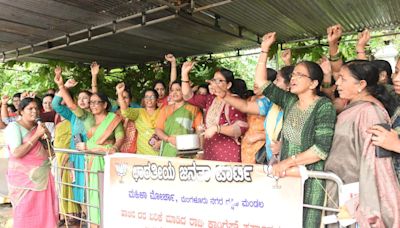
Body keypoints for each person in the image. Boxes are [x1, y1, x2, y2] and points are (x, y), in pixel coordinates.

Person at [254, 32, 336, 228]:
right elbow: (261, 83)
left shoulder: (324, 106)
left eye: (300, 75)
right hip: (288, 177)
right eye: (293, 75)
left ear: (314, 83)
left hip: (310, 180)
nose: (293, 78)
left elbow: (320, 149)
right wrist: (264, 50)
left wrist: (287, 163)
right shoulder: (290, 101)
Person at [324, 60, 400, 227]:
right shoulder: (354, 108)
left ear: (361, 84)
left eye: (343, 79)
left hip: (356, 202)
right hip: (340, 192)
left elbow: (375, 166)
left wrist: (367, 208)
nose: (337, 83)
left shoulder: (370, 113)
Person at [55, 69, 125, 227]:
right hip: (93, 163)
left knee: (110, 194)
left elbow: (120, 137)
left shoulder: (113, 119)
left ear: (105, 104)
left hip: (109, 162)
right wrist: (61, 86)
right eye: (91, 102)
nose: (92, 105)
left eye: (95, 102)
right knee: (94, 195)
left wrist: (113, 147)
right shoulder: (87, 118)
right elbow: (72, 105)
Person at [215, 66, 293, 164]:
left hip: (286, 159)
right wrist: (224, 95)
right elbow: (246, 106)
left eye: (277, 80)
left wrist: (282, 146)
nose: (274, 84)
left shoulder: (296, 105)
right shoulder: (269, 102)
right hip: (268, 156)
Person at [5, 97, 58, 228]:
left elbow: (51, 153)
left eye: (36, 109)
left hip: (43, 179)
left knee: (44, 214)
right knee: (25, 214)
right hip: (23, 182)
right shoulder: (14, 127)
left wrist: (46, 138)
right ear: (21, 111)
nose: (34, 111)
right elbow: (17, 153)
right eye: (30, 109)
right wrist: (36, 136)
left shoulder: (38, 127)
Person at [182, 63, 248, 162]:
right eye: (214, 80)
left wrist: (217, 128)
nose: (215, 83)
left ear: (228, 85)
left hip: (227, 153)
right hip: (210, 150)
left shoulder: (235, 101)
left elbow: (240, 128)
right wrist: (184, 74)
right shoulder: (211, 99)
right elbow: (188, 97)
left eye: (220, 81)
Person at [52, 69, 91, 208]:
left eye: (85, 98)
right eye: (79, 98)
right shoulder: (73, 115)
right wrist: (65, 87)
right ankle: (84, 216)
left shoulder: (94, 116)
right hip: (75, 156)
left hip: (90, 155)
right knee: (78, 186)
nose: (81, 101)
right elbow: (55, 105)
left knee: (90, 187)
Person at [156, 80, 203, 157]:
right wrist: (168, 139)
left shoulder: (193, 109)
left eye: (178, 90)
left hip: (187, 152)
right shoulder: (165, 109)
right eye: (172, 90)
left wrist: (201, 151)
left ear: (184, 91)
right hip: (168, 150)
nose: (174, 93)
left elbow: (200, 132)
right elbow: (158, 129)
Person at [117, 83, 162, 155]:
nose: (149, 99)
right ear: (144, 100)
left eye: (152, 97)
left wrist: (162, 143)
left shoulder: (163, 112)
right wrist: (119, 93)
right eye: (146, 97)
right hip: (141, 154)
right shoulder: (139, 112)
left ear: (157, 100)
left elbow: (169, 131)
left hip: (158, 152)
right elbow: (125, 112)